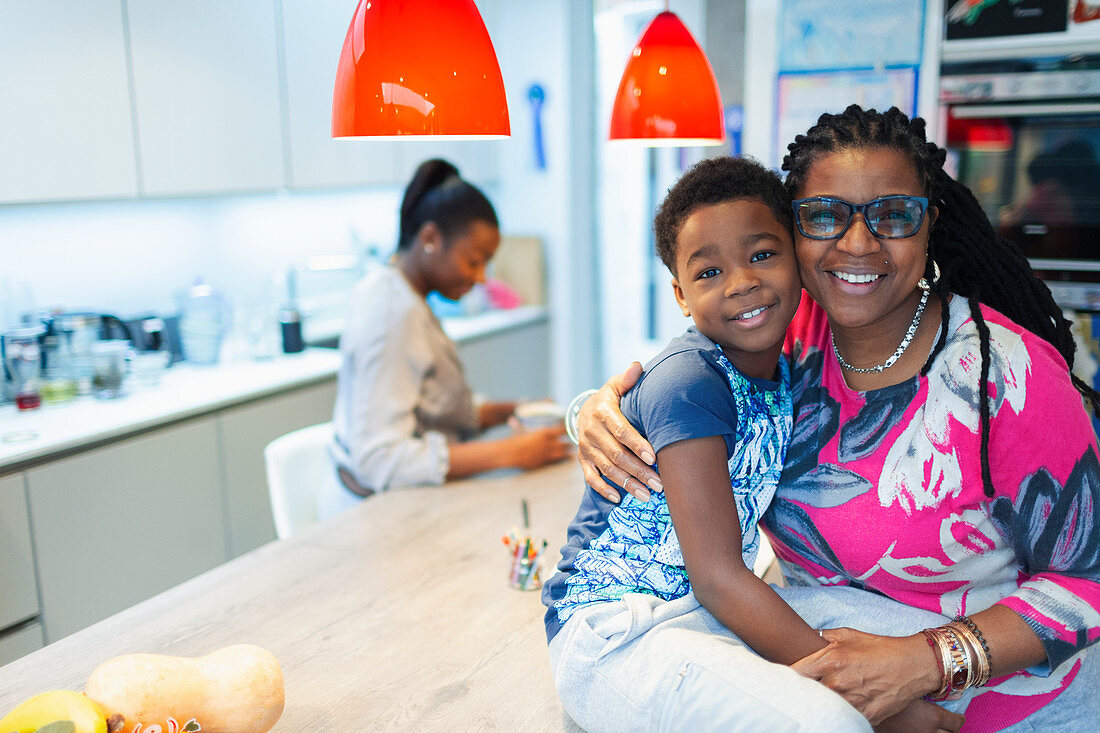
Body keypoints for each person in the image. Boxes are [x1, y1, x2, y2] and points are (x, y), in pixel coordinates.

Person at [572, 105, 1100, 730]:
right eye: (825, 215)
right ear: (790, 231)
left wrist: (923, 664)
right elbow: (681, 383)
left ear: (929, 224)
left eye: (893, 214)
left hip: (1001, 706)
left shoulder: (1008, 376)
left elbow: (1088, 583)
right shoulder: (779, 334)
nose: (858, 243)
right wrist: (593, 410)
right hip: (829, 684)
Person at [542, 156, 960, 732]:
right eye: (709, 273)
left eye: (763, 255)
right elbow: (716, 575)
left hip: (708, 610)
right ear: (681, 295)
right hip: (619, 634)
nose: (742, 283)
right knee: (831, 723)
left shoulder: (785, 359)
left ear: (797, 256)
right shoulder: (689, 380)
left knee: (923, 643)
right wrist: (868, 700)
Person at [330, 159, 571, 496]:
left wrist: (512, 411)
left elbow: (432, 404)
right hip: (375, 513)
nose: (481, 277)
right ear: (430, 238)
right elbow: (380, 460)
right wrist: (512, 452)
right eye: (474, 261)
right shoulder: (391, 312)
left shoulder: (408, 297)